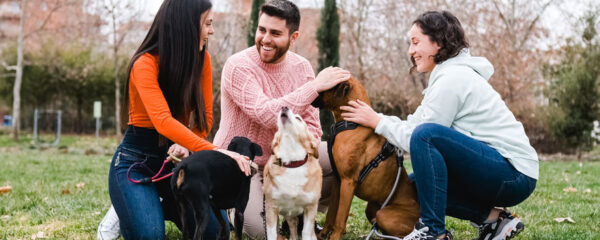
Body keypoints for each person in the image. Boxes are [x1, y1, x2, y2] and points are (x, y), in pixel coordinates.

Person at [340, 11, 538, 240]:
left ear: (438, 42)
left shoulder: (452, 79)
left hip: (513, 173)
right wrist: (376, 118)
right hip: (500, 170)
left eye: (415, 42)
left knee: (426, 136)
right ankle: (496, 221)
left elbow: (420, 137)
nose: (410, 51)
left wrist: (377, 121)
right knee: (412, 188)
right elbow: (415, 125)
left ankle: (433, 232)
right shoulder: (446, 77)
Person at [98, 0, 251, 239]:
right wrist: (218, 151)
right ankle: (129, 204)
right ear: (186, 26)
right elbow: (162, 120)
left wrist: (188, 145)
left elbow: (205, 120)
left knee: (214, 232)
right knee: (150, 235)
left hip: (176, 164)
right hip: (135, 160)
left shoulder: (203, 60)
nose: (211, 31)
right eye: (207, 24)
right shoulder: (144, 63)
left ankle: (154, 201)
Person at [212, 0, 350, 238]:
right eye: (261, 29)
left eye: (275, 33)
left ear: (293, 37)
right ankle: (240, 209)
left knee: (345, 156)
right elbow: (266, 114)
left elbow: (314, 129)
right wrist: (314, 87)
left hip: (284, 162)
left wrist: (293, 165)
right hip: (244, 165)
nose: (265, 39)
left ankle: (305, 215)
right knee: (259, 229)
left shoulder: (302, 67)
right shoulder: (238, 66)